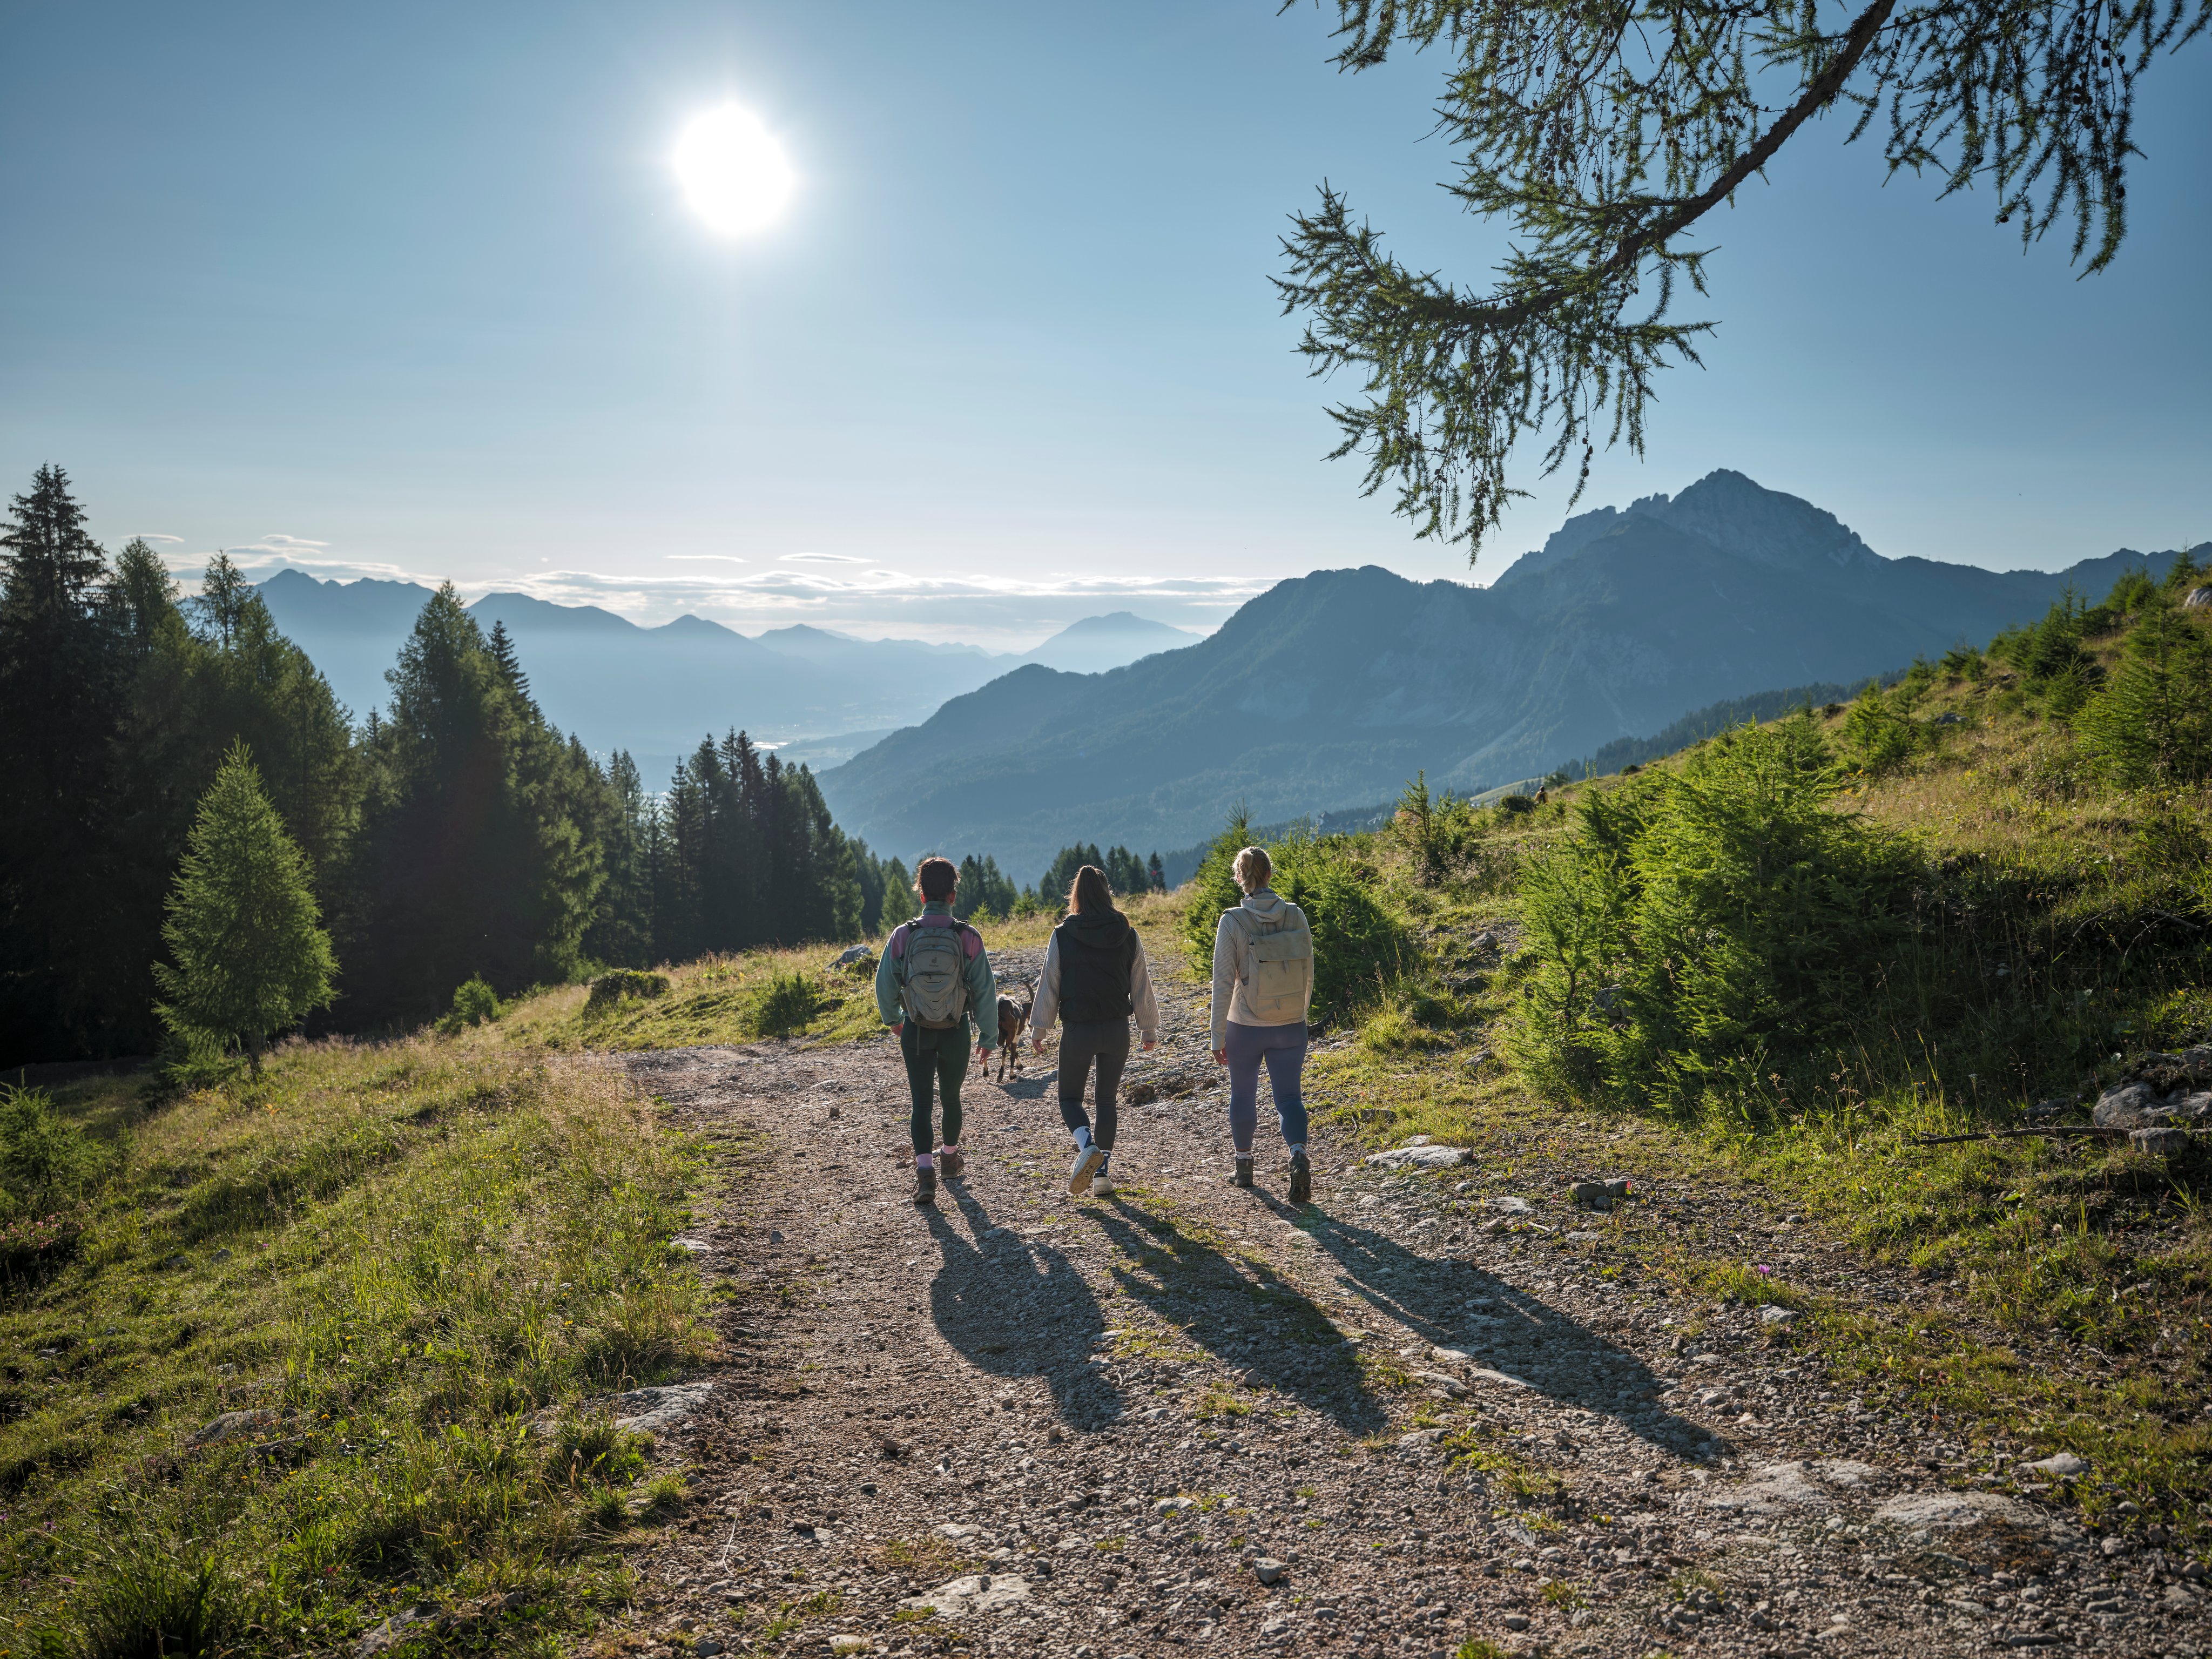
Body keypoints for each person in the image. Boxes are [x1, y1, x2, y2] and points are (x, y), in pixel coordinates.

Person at [1029, 864, 1161, 1197]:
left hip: (1079, 1031)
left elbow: (1050, 984)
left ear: (1076, 897)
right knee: (1106, 1100)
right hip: (1117, 1030)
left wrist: (1039, 1028)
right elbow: (1141, 985)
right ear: (1107, 894)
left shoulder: (1063, 934)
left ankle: (1087, 1147)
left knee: (1070, 1097)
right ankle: (1101, 1177)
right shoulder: (1127, 933)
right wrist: (1149, 1028)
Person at [875, 855, 997, 1206]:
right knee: (951, 1098)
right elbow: (986, 991)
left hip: (916, 1029)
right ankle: (949, 1160)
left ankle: (925, 1178)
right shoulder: (967, 936)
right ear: (953, 896)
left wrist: (895, 1019)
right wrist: (989, 1037)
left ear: (922, 894)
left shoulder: (904, 935)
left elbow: (885, 984)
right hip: (955, 1029)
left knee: (920, 1104)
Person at [1209, 845, 1316, 1202]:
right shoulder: (1296, 916)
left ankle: (1244, 1166)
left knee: (1243, 1094)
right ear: (1270, 875)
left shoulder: (1233, 921)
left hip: (1246, 1025)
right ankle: (1298, 1155)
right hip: (1291, 1022)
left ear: (1241, 879)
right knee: (1289, 1098)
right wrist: (1300, 1014)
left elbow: (1223, 983)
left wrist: (1217, 1035)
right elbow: (1308, 972)